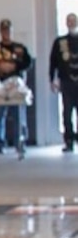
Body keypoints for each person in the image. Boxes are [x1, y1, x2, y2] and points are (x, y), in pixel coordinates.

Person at [0, 19, 31, 152]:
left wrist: (14, 66)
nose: (6, 33)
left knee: (18, 115)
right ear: (0, 31)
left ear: (12, 31)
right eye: (4, 30)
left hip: (16, 85)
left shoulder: (20, 48)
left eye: (8, 30)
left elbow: (28, 62)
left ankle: (19, 143)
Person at [50, 14, 78, 152]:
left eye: (74, 21)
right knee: (67, 113)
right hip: (66, 83)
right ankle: (69, 141)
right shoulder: (60, 42)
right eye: (69, 21)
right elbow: (53, 62)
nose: (71, 23)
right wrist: (52, 79)